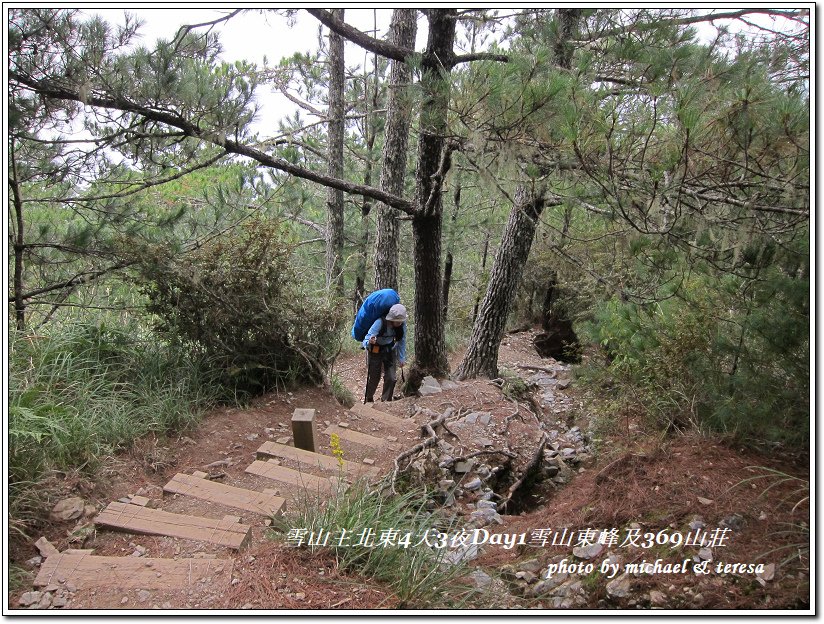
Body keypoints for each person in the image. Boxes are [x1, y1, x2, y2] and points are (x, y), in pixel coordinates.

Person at [362, 303, 407, 402]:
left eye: (401, 321)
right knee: (374, 377)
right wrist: (369, 341)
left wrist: (401, 358)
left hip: (390, 350)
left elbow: (402, 341)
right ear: (391, 319)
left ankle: (386, 401)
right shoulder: (380, 322)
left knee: (391, 377)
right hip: (375, 351)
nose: (399, 323)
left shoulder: (402, 326)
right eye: (397, 321)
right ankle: (369, 398)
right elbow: (366, 339)